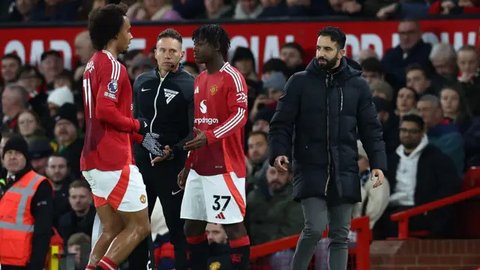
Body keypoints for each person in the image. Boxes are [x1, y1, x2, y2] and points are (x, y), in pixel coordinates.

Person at [268, 26, 386, 270]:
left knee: (341, 235)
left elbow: (371, 129)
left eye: (327, 49)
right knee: (314, 228)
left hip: (345, 168)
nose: (320, 53)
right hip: (310, 167)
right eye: (319, 47)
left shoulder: (358, 86)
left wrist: (378, 164)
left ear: (341, 52)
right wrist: (279, 151)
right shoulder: (298, 82)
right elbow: (280, 124)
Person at [80, 4, 164, 270]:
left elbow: (107, 118)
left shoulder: (92, 65)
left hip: (92, 160)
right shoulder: (113, 67)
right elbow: (106, 111)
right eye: (128, 30)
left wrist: (142, 138)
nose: (132, 35)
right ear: (115, 34)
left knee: (112, 228)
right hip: (113, 160)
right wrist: (135, 123)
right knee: (140, 227)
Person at [176, 24, 250, 270]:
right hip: (200, 166)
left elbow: (240, 115)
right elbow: (199, 127)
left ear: (217, 46)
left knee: (232, 226)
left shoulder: (233, 77)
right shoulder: (199, 79)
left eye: (200, 44)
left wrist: (211, 136)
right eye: (194, 43)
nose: (193, 48)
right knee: (192, 226)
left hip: (224, 166)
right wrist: (188, 165)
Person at [129, 28, 194, 270]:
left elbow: (193, 132)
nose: (168, 55)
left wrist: (173, 151)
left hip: (172, 167)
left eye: (173, 51)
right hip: (142, 165)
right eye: (163, 50)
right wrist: (143, 144)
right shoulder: (142, 81)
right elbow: (135, 122)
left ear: (182, 54)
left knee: (177, 227)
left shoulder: (190, 86)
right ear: (154, 53)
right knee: (137, 228)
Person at [0, 135, 53, 270]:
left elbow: (43, 230)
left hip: (21, 263)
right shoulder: (3, 183)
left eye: (18, 153)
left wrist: (37, 264)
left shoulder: (39, 184)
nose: (12, 157)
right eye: (9, 153)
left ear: (26, 157)